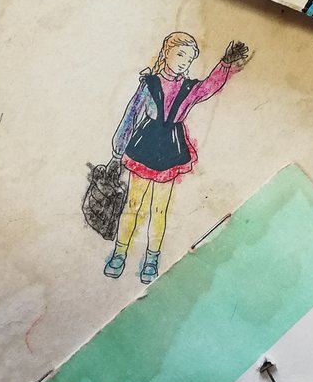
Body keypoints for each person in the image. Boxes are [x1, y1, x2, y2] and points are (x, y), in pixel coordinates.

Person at [104, 32, 249, 282]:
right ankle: (119, 253)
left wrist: (225, 64)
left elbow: (209, 87)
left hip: (171, 149)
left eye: (189, 59)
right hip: (144, 145)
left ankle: (152, 259)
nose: (184, 62)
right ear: (166, 52)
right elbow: (131, 115)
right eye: (180, 54)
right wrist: (117, 153)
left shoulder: (189, 88)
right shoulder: (149, 83)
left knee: (159, 209)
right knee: (133, 205)